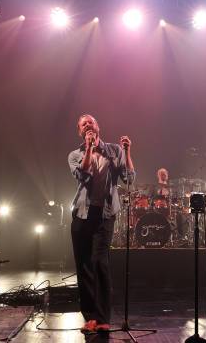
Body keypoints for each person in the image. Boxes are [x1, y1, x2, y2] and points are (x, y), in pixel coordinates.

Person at [68, 114, 134, 333]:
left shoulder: (114, 150)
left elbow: (129, 178)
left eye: (91, 122)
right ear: (80, 131)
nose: (88, 124)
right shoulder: (75, 154)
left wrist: (127, 151)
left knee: (100, 263)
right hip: (82, 214)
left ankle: (103, 317)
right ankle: (90, 318)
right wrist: (88, 149)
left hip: (105, 214)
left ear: (98, 127)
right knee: (84, 266)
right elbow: (84, 176)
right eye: (83, 123)